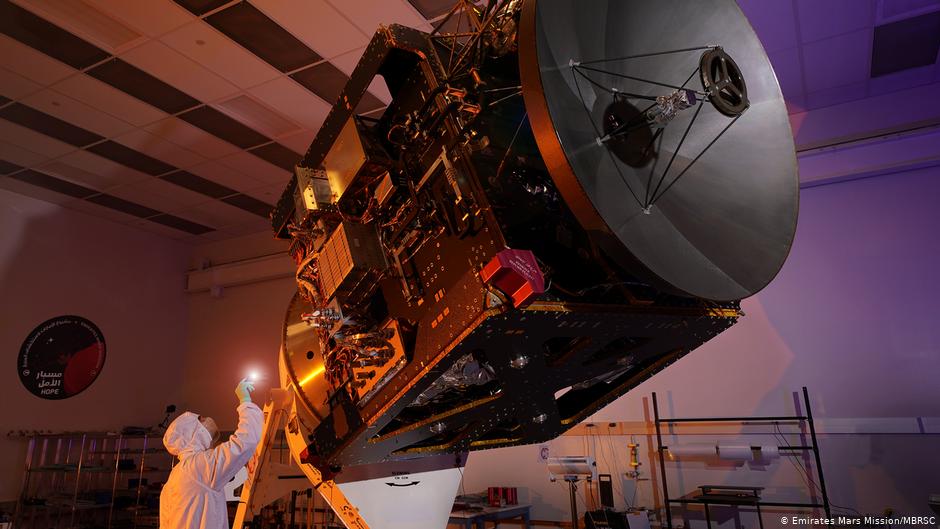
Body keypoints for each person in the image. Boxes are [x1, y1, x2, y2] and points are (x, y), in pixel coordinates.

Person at [159, 378, 263, 529]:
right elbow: (245, 441)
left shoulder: (175, 476)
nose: (207, 421)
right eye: (201, 420)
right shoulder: (199, 466)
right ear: (191, 433)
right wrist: (245, 402)